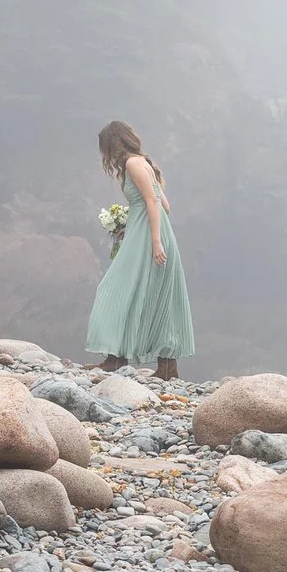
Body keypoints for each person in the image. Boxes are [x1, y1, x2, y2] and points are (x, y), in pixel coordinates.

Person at [84, 121, 195, 379]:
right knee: (154, 295)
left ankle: (116, 358)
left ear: (113, 144)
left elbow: (153, 202)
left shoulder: (133, 164)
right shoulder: (144, 163)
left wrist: (155, 241)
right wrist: (131, 223)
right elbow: (164, 205)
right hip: (145, 233)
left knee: (112, 289)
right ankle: (166, 368)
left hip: (149, 238)